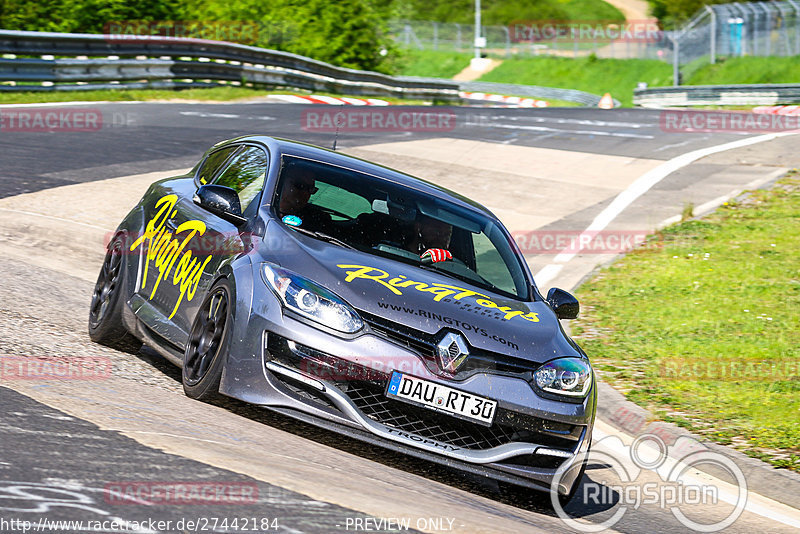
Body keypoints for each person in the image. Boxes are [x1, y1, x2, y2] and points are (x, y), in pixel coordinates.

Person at [278, 164, 332, 232]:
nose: (305, 193)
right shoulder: (263, 205)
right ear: (281, 181)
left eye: (311, 189)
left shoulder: (318, 220)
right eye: (300, 185)